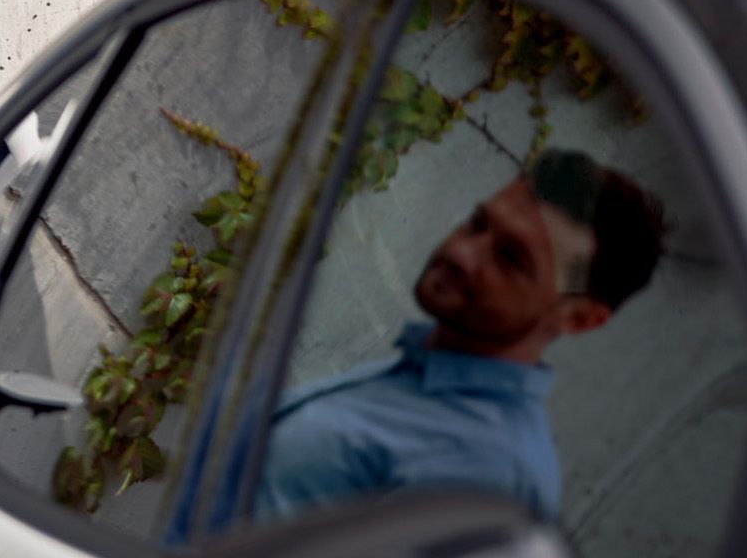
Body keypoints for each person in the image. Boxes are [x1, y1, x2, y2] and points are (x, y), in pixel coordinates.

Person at [254, 148, 667, 522]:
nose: (461, 253)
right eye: (477, 224)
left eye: (510, 257)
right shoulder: (417, 379)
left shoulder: (490, 472)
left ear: (579, 318)